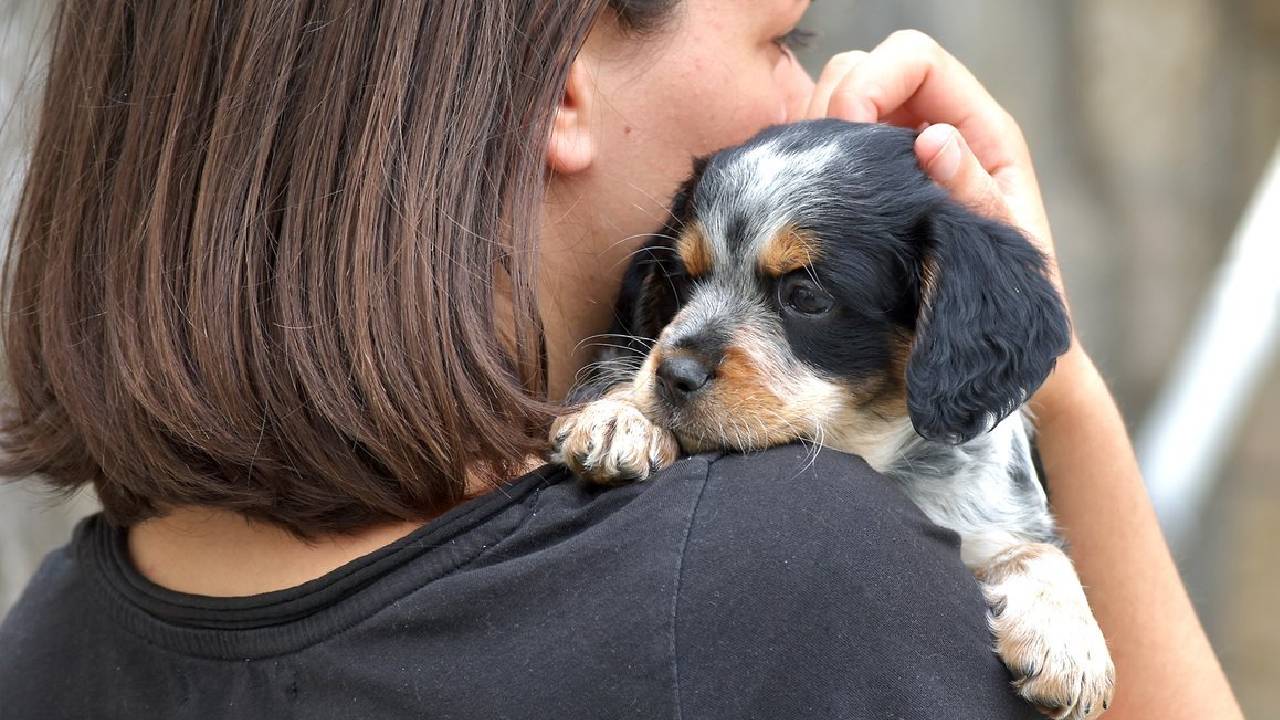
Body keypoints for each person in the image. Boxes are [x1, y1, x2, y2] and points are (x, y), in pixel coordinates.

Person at [0, 1, 1241, 718]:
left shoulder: (49, 641)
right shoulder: (785, 578)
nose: (811, 91)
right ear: (562, 85)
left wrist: (1047, 381)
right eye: (781, 34)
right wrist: (1063, 391)